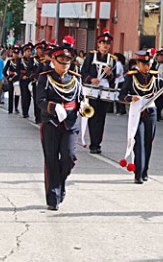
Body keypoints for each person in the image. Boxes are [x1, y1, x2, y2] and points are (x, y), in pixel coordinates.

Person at [36, 37, 85, 211]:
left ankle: (60, 183)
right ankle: (53, 197)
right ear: (54, 61)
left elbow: (80, 98)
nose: (64, 64)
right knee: (51, 160)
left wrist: (84, 105)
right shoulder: (45, 78)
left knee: (69, 158)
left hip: (70, 123)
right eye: (61, 61)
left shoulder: (76, 79)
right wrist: (54, 107)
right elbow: (40, 100)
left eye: (67, 61)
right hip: (51, 122)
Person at [120, 50, 163, 183]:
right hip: (137, 113)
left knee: (148, 142)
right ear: (138, 64)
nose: (147, 67)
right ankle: (138, 173)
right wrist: (130, 98)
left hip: (150, 112)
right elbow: (121, 95)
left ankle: (145, 170)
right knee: (138, 142)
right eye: (144, 64)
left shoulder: (155, 76)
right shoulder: (131, 76)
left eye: (149, 64)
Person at [81, 30, 117, 154]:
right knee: (92, 116)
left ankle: (97, 143)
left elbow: (113, 79)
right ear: (98, 44)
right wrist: (91, 79)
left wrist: (109, 74)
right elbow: (83, 72)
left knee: (101, 117)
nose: (105, 45)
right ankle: (93, 142)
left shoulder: (112, 60)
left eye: (107, 43)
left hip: (104, 92)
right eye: (103, 43)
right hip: (92, 90)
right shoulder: (91, 56)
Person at [3, 46, 22, 114]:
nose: (15, 55)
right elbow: (4, 71)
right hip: (11, 79)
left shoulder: (20, 61)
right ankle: (10, 109)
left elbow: (21, 71)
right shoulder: (9, 61)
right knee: (10, 94)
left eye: (17, 54)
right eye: (14, 53)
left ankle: (16, 108)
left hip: (18, 79)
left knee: (17, 94)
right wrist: (8, 77)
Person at [151, 47, 163, 121]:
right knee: (155, 101)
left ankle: (159, 114)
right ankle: (155, 114)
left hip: (162, 84)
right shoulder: (153, 65)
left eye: (162, 56)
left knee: (161, 102)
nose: (161, 57)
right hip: (154, 84)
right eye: (160, 56)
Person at [20, 43, 35, 118]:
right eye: (28, 51)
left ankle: (27, 110)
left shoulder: (33, 60)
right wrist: (22, 76)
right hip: (23, 80)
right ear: (24, 52)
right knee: (24, 96)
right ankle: (25, 112)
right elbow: (18, 70)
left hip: (30, 79)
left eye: (30, 51)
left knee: (29, 97)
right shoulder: (21, 60)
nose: (29, 53)